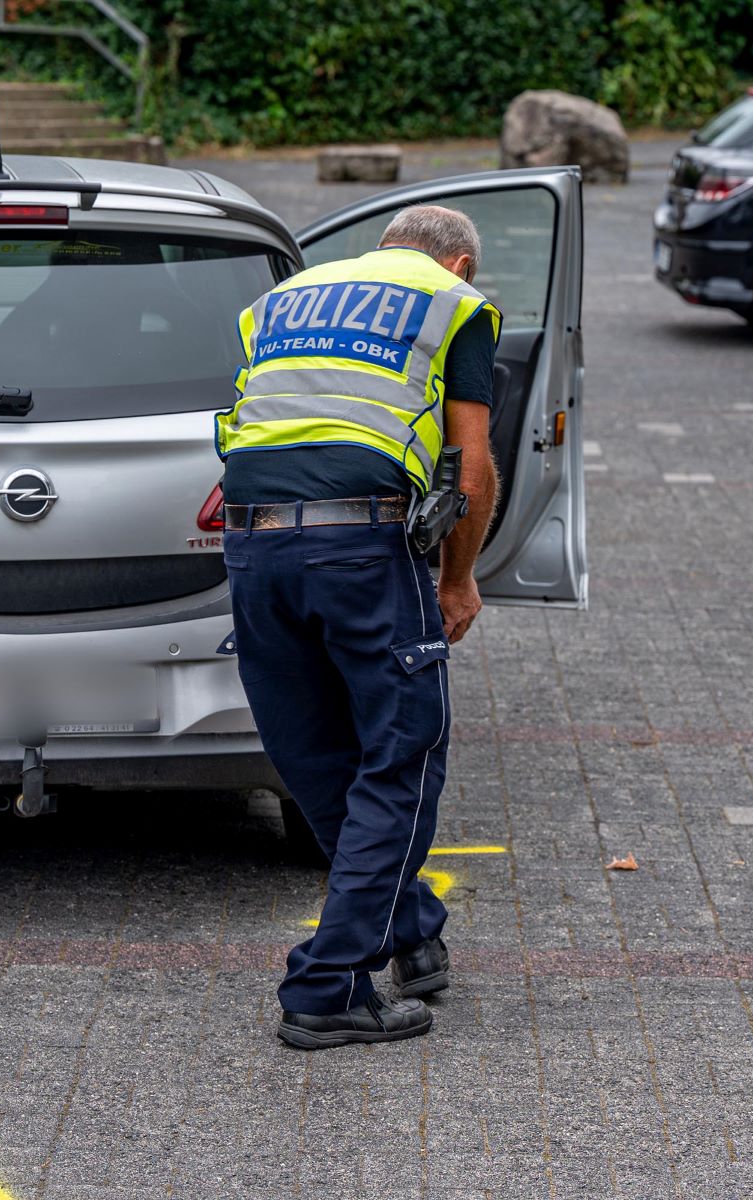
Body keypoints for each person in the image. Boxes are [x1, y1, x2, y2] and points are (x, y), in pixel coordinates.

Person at [214, 205, 500, 1048]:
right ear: (457, 261)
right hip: (362, 544)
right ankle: (327, 984)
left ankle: (411, 931)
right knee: (402, 758)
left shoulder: (285, 299)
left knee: (321, 761)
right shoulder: (451, 303)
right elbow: (471, 467)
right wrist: (457, 579)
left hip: (249, 540)